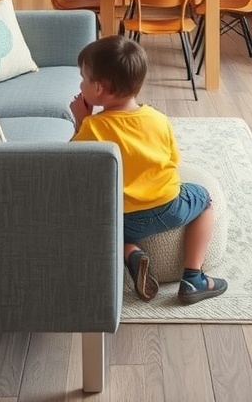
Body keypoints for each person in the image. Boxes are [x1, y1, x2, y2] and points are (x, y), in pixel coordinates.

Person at [70, 35, 228, 306]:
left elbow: (75, 165)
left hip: (123, 216)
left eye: (83, 78)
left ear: (98, 89)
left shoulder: (92, 128)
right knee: (204, 199)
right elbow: (173, 161)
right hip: (168, 208)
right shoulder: (159, 119)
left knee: (95, 223)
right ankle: (193, 277)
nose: (80, 84)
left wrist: (80, 121)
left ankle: (131, 251)